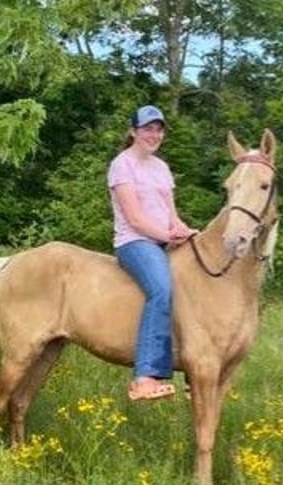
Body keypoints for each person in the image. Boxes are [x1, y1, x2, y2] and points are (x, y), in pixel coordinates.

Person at [107, 104, 198, 401]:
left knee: (196, 284)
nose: (154, 134)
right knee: (161, 289)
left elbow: (172, 215)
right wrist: (167, 236)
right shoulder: (123, 164)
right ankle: (145, 376)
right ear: (133, 131)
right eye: (147, 128)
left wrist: (187, 233)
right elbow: (134, 218)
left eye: (158, 129)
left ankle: (193, 369)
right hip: (135, 242)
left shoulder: (161, 167)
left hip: (163, 239)